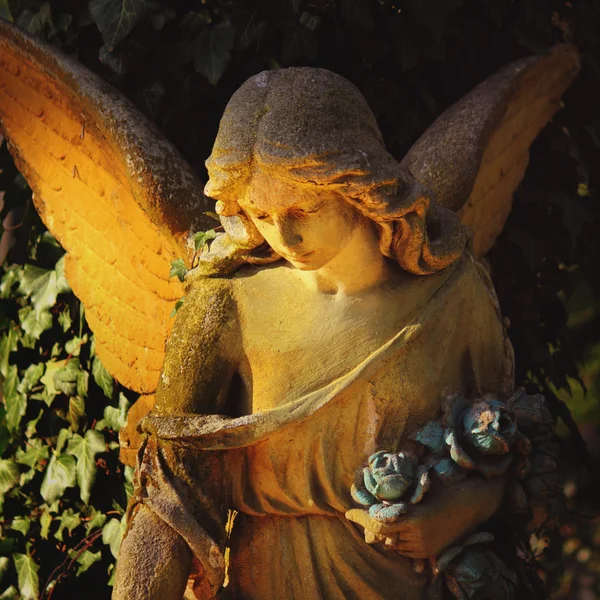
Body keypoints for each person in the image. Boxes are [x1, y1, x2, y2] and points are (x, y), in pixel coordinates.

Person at [113, 67, 514, 600]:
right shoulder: (224, 302)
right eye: (260, 213)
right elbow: (169, 499)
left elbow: (507, 449)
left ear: (359, 186)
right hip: (270, 581)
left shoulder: (450, 295)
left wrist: (453, 515)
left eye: (305, 209)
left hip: (409, 583)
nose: (286, 235)